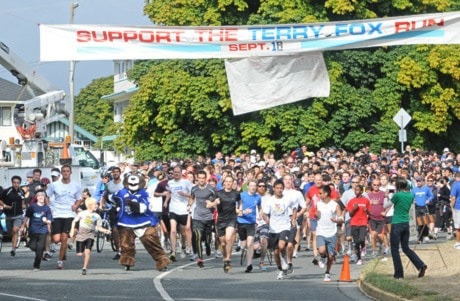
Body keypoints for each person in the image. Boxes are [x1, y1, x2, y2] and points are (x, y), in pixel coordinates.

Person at [113, 174, 170, 271]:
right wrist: (116, 205)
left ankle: (161, 260)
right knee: (126, 244)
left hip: (143, 222)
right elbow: (112, 197)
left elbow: (144, 207)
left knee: (152, 242)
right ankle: (127, 260)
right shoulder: (121, 192)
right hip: (126, 221)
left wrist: (135, 205)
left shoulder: (144, 193)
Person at [46, 164, 83, 269]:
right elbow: (47, 196)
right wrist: (49, 208)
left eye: (67, 171)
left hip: (69, 214)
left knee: (64, 237)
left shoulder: (75, 185)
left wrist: (76, 206)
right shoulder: (54, 185)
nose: (66, 173)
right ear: (61, 173)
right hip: (57, 213)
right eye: (64, 171)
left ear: (70, 173)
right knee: (57, 239)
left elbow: (79, 198)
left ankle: (60, 260)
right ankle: (63, 250)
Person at [390, 178, 427, 279]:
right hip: (406, 223)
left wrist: (386, 195)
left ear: (398, 186)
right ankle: (420, 265)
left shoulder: (397, 195)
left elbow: (387, 205)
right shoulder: (410, 195)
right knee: (405, 247)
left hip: (397, 223)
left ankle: (399, 274)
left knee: (394, 250)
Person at [262, 179, 297, 280]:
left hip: (284, 227)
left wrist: (293, 219)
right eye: (277, 188)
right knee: (276, 252)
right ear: (273, 189)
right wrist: (267, 221)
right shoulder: (270, 200)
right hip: (273, 229)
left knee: (282, 246)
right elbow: (264, 213)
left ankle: (285, 259)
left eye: (281, 188)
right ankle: (280, 270)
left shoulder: (287, 199)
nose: (279, 190)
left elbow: (294, 207)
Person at [208, 175, 241, 272]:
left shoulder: (236, 193)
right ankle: (225, 258)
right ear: (223, 183)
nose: (228, 183)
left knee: (228, 239)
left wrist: (240, 209)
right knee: (222, 243)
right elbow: (208, 204)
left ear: (233, 183)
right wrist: (215, 203)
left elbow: (240, 202)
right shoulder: (218, 193)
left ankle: (228, 259)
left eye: (230, 181)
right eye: (227, 181)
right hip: (221, 220)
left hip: (232, 219)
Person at [69, 197, 110, 275]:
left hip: (90, 234)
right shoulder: (82, 213)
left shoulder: (97, 216)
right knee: (80, 254)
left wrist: (105, 230)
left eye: (97, 204)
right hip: (81, 234)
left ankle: (84, 268)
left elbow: (98, 227)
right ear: (89, 205)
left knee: (87, 252)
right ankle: (80, 251)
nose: (97, 206)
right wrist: (72, 230)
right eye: (95, 204)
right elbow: (74, 221)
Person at [164, 165, 193, 261]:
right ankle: (173, 251)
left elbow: (193, 195)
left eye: (178, 172)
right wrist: (166, 201)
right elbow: (169, 192)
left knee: (183, 231)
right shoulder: (170, 182)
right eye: (174, 172)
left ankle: (184, 245)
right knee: (173, 231)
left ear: (181, 173)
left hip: (183, 209)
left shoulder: (186, 183)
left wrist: (185, 194)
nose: (176, 174)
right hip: (173, 209)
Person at [315, 185, 343, 282]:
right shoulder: (318, 204)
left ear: (326, 194)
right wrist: (316, 214)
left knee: (331, 256)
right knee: (322, 250)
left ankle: (327, 273)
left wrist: (337, 220)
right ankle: (322, 257)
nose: (319, 195)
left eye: (320, 193)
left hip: (331, 232)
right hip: (321, 232)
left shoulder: (334, 205)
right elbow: (315, 214)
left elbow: (340, 217)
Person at [189, 171, 216, 268]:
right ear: (197, 178)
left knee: (207, 238)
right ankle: (200, 259)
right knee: (198, 237)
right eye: (199, 178)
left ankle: (208, 245)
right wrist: (189, 205)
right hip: (197, 216)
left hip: (208, 216)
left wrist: (212, 203)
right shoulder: (194, 188)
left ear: (205, 179)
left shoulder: (211, 189)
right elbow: (192, 198)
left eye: (203, 178)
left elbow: (217, 199)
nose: (201, 180)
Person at [21, 190, 52, 271]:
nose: (41, 197)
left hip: (43, 230)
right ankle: (40, 253)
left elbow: (50, 220)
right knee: (32, 246)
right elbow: (27, 217)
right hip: (33, 230)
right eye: (39, 196)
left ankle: (36, 265)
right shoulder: (32, 207)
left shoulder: (47, 208)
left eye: (43, 196)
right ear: (36, 197)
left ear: (45, 198)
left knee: (40, 247)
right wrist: (22, 227)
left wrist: (47, 222)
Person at [237, 179, 262, 273]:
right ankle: (244, 249)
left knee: (250, 242)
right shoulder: (241, 195)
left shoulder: (258, 197)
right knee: (243, 245)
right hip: (241, 222)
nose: (253, 187)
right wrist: (242, 212)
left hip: (251, 223)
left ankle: (249, 264)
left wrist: (260, 213)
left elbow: (260, 207)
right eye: (251, 185)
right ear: (247, 186)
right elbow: (236, 208)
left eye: (254, 186)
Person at [100, 166, 124, 260]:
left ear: (120, 173)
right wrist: (102, 204)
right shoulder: (109, 184)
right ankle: (118, 251)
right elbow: (105, 195)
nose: (115, 174)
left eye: (117, 172)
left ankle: (126, 249)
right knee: (114, 230)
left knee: (124, 230)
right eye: (114, 172)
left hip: (123, 208)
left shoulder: (124, 184)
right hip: (113, 208)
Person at [0, 175, 26, 256]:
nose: (16, 184)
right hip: (8, 215)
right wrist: (4, 205)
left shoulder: (21, 191)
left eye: (18, 183)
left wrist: (23, 206)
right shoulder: (7, 191)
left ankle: (13, 249)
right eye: (14, 182)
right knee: (9, 233)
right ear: (12, 183)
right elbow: (0, 200)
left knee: (15, 230)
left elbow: (23, 201)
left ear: (20, 183)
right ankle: (14, 239)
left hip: (18, 215)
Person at [346, 184, 370, 265]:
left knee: (361, 239)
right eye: (355, 190)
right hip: (354, 223)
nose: (356, 191)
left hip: (363, 222)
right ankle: (359, 258)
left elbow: (370, 212)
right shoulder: (351, 201)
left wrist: (367, 211)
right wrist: (354, 208)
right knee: (356, 242)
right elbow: (350, 214)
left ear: (361, 191)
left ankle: (363, 246)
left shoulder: (366, 200)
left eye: (358, 190)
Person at [412, 176, 434, 243]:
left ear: (422, 182)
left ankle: (426, 235)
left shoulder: (426, 189)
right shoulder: (414, 189)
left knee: (425, 222)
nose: (418, 183)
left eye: (419, 181)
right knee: (419, 223)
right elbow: (411, 197)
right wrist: (413, 200)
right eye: (417, 181)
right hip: (417, 207)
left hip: (424, 207)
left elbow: (432, 196)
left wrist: (428, 200)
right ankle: (420, 238)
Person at [450, 172, 460, 249]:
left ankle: (458, 243)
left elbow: (453, 198)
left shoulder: (456, 185)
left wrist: (452, 207)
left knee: (458, 227)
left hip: (458, 207)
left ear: (455, 177)